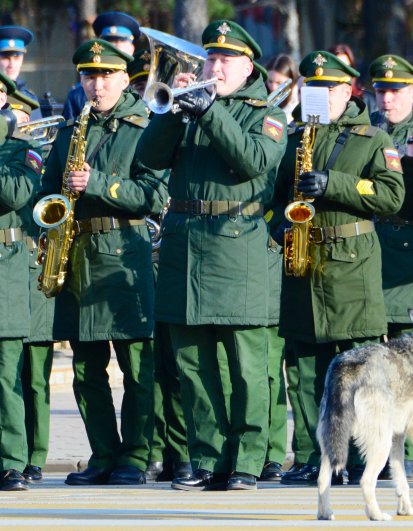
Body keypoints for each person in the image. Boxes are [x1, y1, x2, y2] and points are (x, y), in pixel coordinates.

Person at [136, 20, 287, 492]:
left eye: (225, 60)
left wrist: (208, 112)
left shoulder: (266, 113)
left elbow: (253, 160)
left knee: (246, 367)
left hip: (238, 245)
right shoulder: (191, 105)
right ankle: (207, 459)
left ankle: (247, 461)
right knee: (193, 366)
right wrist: (171, 113)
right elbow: (149, 159)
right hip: (186, 246)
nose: (215, 67)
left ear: (248, 66)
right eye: (210, 59)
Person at [38, 39, 168, 487]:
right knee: (84, 368)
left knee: (136, 366)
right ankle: (103, 454)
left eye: (105, 76)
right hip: (77, 256)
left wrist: (100, 184)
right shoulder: (75, 126)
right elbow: (48, 189)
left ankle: (135, 454)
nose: (96, 85)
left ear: (125, 78)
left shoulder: (144, 127)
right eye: (89, 77)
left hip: (124, 253)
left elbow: (155, 195)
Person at [276, 50, 404, 486]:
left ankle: (374, 455)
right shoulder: (296, 139)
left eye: (327, 89)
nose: (318, 96)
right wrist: (281, 227)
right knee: (308, 371)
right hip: (305, 265)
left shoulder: (373, 139)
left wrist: (335, 184)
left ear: (347, 91)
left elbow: (391, 196)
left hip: (351, 266)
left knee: (362, 371)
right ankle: (318, 458)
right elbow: (276, 198)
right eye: (310, 88)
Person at [369, 53, 413, 479]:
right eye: (381, 91)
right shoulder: (367, 130)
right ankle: (371, 452)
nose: (386, 98)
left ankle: (401, 457)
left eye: (395, 91)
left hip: (407, 248)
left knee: (406, 368)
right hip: (369, 248)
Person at [9, 90, 56, 484]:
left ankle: (23, 456)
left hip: (20, 264)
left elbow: (17, 193)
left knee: (24, 372)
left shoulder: (26, 149)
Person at [0, 72, 43, 491]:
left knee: (6, 372)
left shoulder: (22, 147)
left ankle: (12, 460)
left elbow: (14, 194)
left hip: (5, 266)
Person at [63, 11, 140, 121]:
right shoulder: (78, 95)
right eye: (108, 42)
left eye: (121, 40)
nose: (114, 46)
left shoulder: (144, 87)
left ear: (132, 48)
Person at [0, 26, 40, 120]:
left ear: (22, 59)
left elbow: (38, 133)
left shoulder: (28, 97)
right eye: (6, 57)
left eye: (17, 57)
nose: (12, 64)